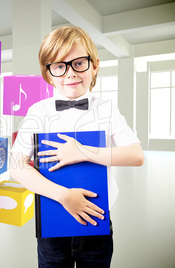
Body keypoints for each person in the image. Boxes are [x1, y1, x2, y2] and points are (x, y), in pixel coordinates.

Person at [9, 26, 144, 267]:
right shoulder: (38, 112)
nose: (70, 73)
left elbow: (135, 155)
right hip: (52, 227)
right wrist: (64, 196)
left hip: (97, 223)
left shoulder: (106, 108)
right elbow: (16, 166)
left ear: (94, 66)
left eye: (79, 62)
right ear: (48, 74)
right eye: (60, 66)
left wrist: (82, 151)